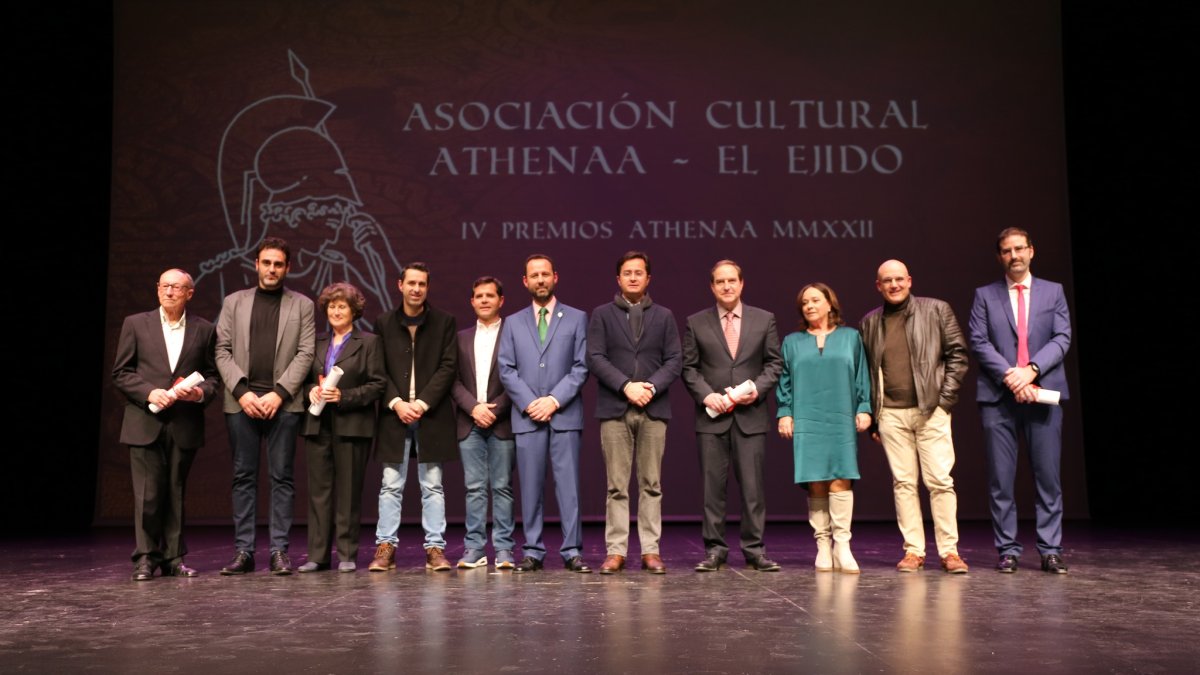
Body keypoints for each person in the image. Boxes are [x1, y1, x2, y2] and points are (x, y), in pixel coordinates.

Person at [969, 228, 1072, 574]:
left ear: (1031, 251)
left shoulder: (1053, 292)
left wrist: (1032, 370)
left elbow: (1062, 337)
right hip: (999, 397)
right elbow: (979, 341)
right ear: (999, 256)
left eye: (1019, 249)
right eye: (1006, 251)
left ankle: (1050, 549)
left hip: (1043, 393)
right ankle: (1008, 550)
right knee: (1001, 480)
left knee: (1048, 477)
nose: (1014, 255)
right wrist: (1012, 376)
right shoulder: (985, 295)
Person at [860, 261, 970, 574]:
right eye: (887, 281)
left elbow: (958, 356)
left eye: (899, 279)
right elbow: (867, 373)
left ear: (909, 280)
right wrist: (876, 418)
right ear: (878, 286)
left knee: (939, 481)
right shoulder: (870, 322)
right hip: (892, 414)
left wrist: (944, 402)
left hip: (930, 410)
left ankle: (950, 551)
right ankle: (914, 551)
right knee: (904, 483)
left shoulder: (936, 310)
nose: (894, 285)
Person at [215, 238, 316, 575]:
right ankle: (244, 551)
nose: (272, 269)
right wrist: (243, 392)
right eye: (266, 262)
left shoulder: (301, 305)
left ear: (287, 268)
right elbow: (221, 350)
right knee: (243, 477)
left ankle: (279, 551)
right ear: (255, 264)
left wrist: (279, 393)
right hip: (241, 403)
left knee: (282, 478)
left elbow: (306, 353)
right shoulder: (234, 302)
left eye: (279, 264)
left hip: (283, 405)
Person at [112, 268, 219, 580]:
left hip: (183, 423)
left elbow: (213, 376)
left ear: (190, 293)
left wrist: (200, 393)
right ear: (157, 289)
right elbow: (121, 372)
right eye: (165, 286)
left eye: (177, 287)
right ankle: (145, 557)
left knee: (175, 492)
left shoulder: (204, 329)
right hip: (145, 420)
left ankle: (173, 557)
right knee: (147, 495)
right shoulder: (136, 324)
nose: (170, 292)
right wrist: (149, 392)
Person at [682, 260, 783, 572]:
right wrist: (705, 394)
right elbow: (689, 368)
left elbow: (774, 364)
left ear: (741, 284)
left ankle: (754, 550)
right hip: (712, 417)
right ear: (712, 287)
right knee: (713, 490)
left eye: (731, 281)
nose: (726, 286)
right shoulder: (696, 322)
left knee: (753, 490)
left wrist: (759, 389)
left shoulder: (764, 319)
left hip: (750, 416)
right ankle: (715, 550)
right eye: (720, 282)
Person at [587, 251, 683, 574]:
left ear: (648, 278)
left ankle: (650, 551)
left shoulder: (665, 316)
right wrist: (626, 386)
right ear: (618, 279)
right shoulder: (601, 314)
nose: (632, 277)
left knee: (651, 483)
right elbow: (596, 358)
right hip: (615, 407)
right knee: (616, 484)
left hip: (654, 408)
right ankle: (616, 551)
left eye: (638, 272)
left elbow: (674, 361)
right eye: (626, 272)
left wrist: (650, 388)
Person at [497, 254, 591, 573]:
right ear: (525, 281)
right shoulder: (512, 321)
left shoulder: (577, 318)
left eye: (545, 274)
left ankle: (572, 550)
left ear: (555, 277)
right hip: (527, 417)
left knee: (569, 488)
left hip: (563, 415)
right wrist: (530, 403)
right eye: (534, 275)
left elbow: (581, 367)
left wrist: (553, 400)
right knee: (531, 487)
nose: (540, 280)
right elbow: (506, 369)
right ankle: (533, 550)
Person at [776, 283, 872, 573]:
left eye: (815, 300)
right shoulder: (792, 342)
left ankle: (842, 544)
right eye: (804, 302)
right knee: (815, 478)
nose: (809, 306)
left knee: (841, 476)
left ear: (830, 304)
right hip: (807, 416)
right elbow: (785, 381)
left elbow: (861, 375)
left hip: (841, 414)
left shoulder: (851, 337)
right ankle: (822, 544)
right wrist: (785, 413)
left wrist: (865, 407)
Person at [370, 263, 459, 572]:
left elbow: (448, 367)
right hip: (395, 414)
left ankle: (435, 548)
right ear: (400, 285)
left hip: (430, 414)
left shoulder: (444, 322)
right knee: (391, 484)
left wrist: (421, 403)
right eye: (411, 283)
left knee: (433, 485)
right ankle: (386, 548)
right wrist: (397, 403)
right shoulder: (383, 323)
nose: (416, 289)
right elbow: (377, 368)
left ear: (427, 288)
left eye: (422, 283)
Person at [298, 282, 385, 573]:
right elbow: (304, 378)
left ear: (354, 311)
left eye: (342, 306)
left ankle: (347, 553)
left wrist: (344, 396)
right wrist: (310, 389)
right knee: (319, 492)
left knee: (348, 492)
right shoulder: (316, 343)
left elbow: (377, 385)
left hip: (352, 425)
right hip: (317, 423)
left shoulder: (369, 342)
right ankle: (318, 555)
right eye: (332, 306)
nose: (336, 311)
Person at [451, 277, 516, 569]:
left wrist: (496, 409)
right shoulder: (461, 337)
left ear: (501, 300)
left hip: (502, 421)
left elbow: (520, 376)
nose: (485, 300)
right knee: (474, 487)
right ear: (472, 302)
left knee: (502, 486)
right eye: (479, 296)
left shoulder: (514, 333)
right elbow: (451, 381)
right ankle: (475, 548)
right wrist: (473, 408)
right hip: (469, 421)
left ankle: (503, 549)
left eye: (490, 295)